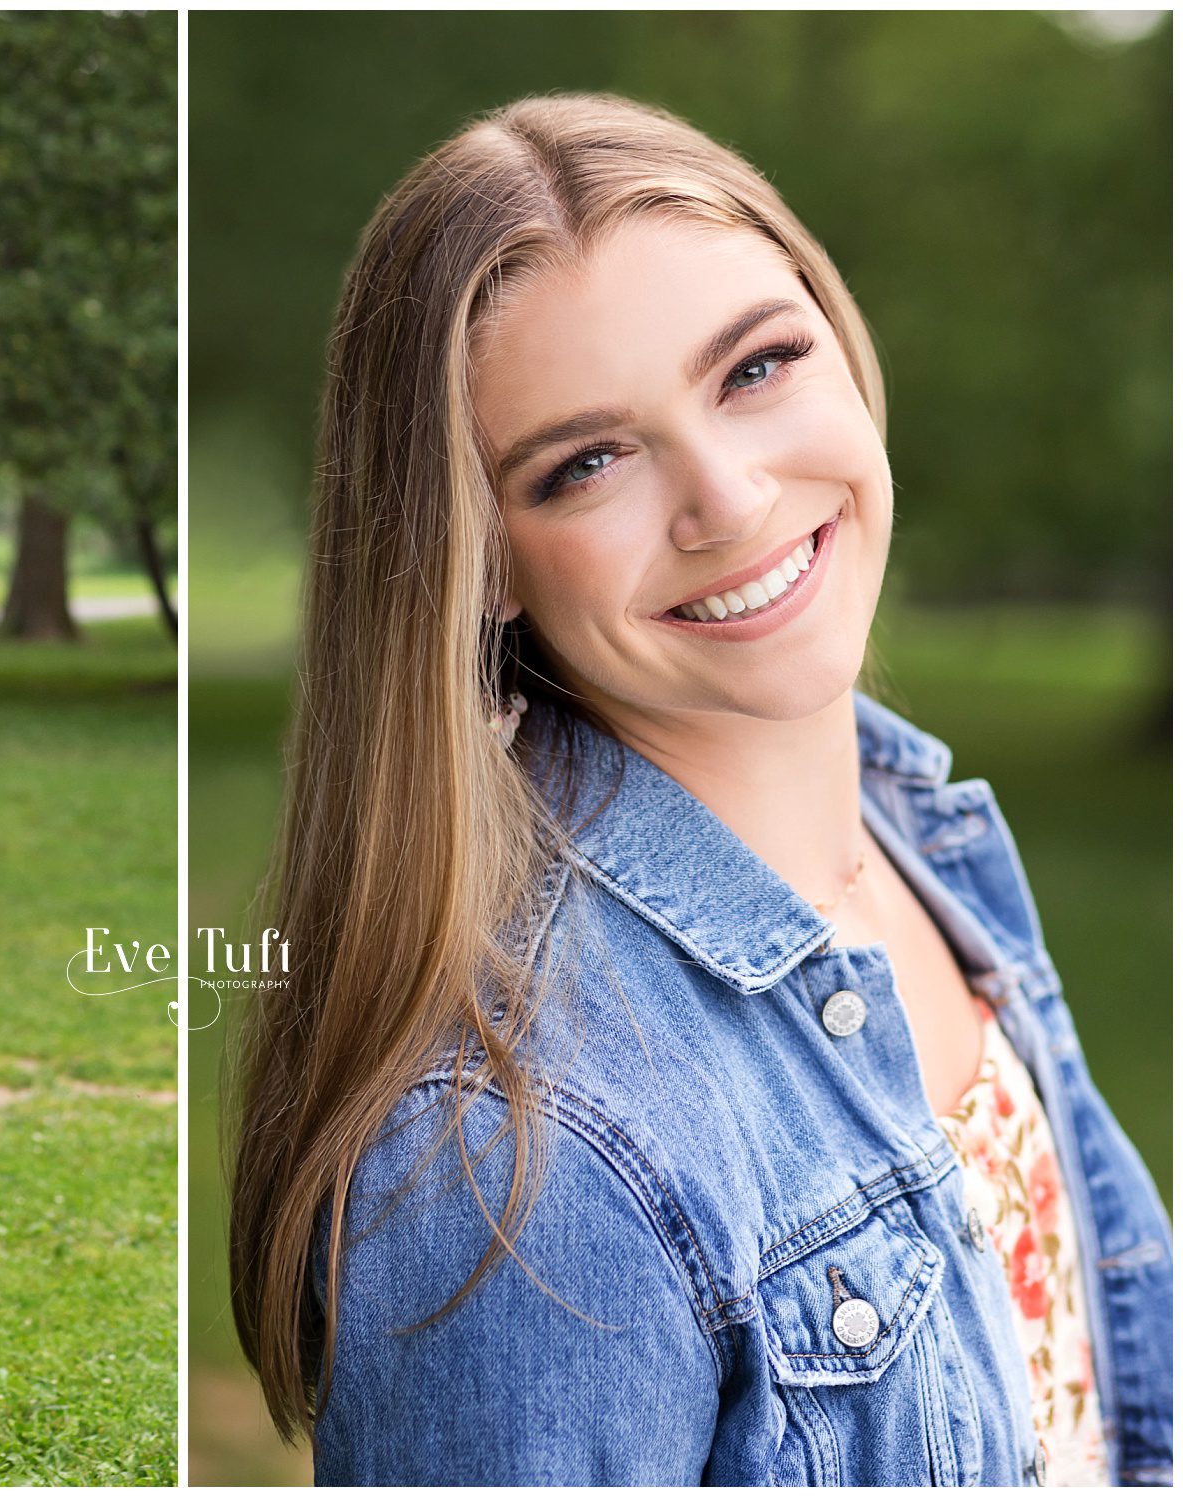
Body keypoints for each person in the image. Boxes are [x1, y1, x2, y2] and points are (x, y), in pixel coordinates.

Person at [225, 93, 1172, 1486]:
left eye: (757, 367)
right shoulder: (513, 1164)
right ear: (477, 563)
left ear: (842, 346)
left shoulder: (925, 833)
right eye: (587, 462)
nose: (726, 497)